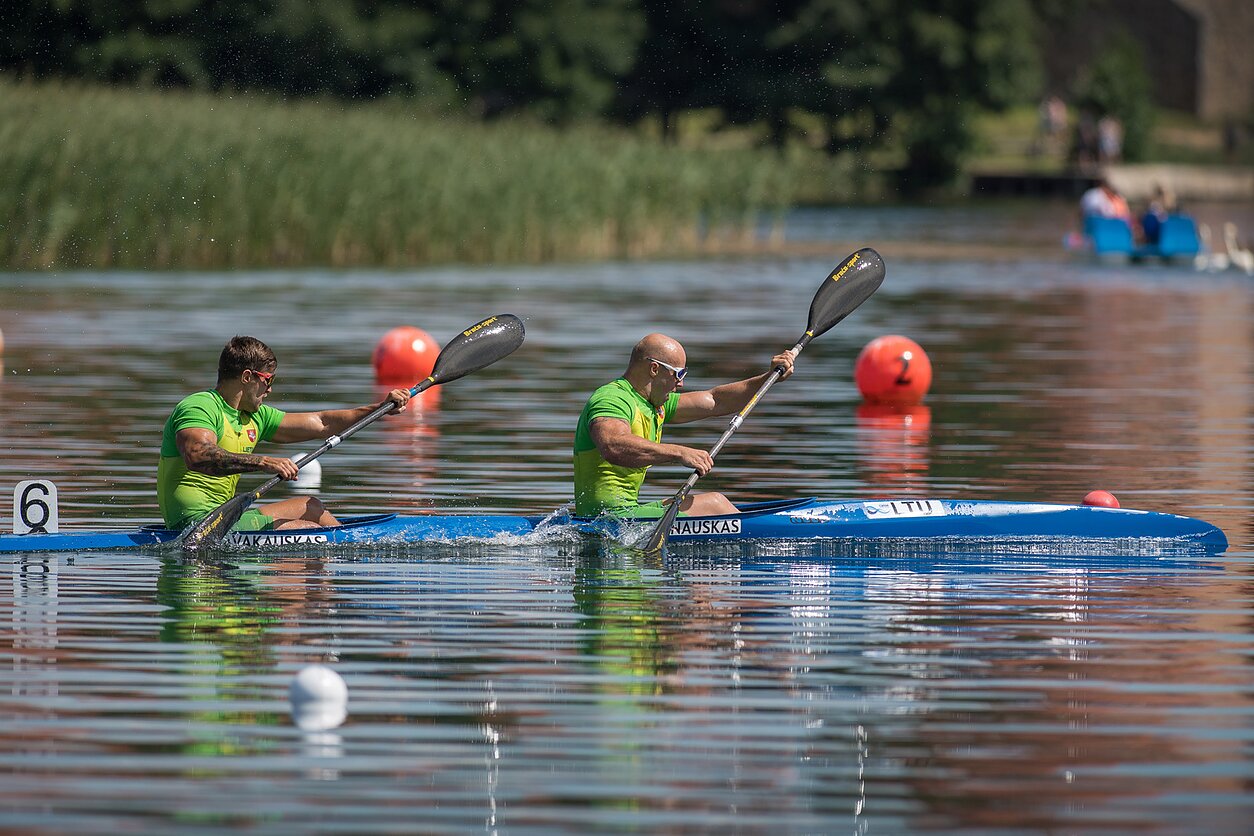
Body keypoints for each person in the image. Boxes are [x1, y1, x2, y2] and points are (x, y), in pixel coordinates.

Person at [158, 336, 411, 532]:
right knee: (308, 531)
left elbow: (322, 423)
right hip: (197, 525)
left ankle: (343, 554)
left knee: (311, 506)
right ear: (247, 377)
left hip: (227, 519)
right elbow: (198, 455)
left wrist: (378, 409)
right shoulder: (200, 406)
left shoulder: (255, 416)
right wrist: (265, 462)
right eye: (268, 380)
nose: (269, 389)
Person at [573, 333, 796, 519]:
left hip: (623, 517)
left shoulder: (654, 404)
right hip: (609, 519)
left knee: (714, 504)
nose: (681, 383)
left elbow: (715, 400)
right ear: (654, 369)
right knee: (715, 503)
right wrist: (679, 453)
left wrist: (770, 377)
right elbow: (613, 445)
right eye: (678, 374)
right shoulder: (612, 399)